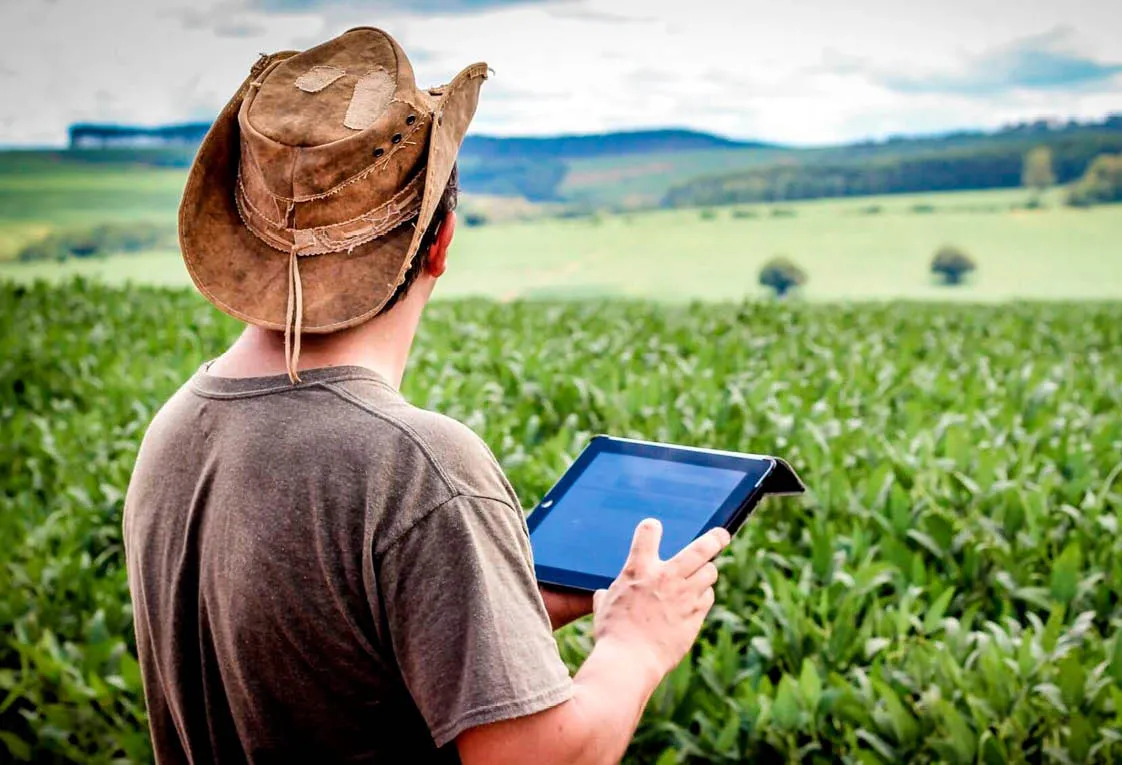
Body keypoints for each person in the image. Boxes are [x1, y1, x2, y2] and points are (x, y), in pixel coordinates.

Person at [123, 27, 729, 764]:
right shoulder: (413, 464)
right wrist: (636, 642)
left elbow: (332, 654)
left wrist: (511, 607)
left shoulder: (177, 427)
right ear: (440, 242)